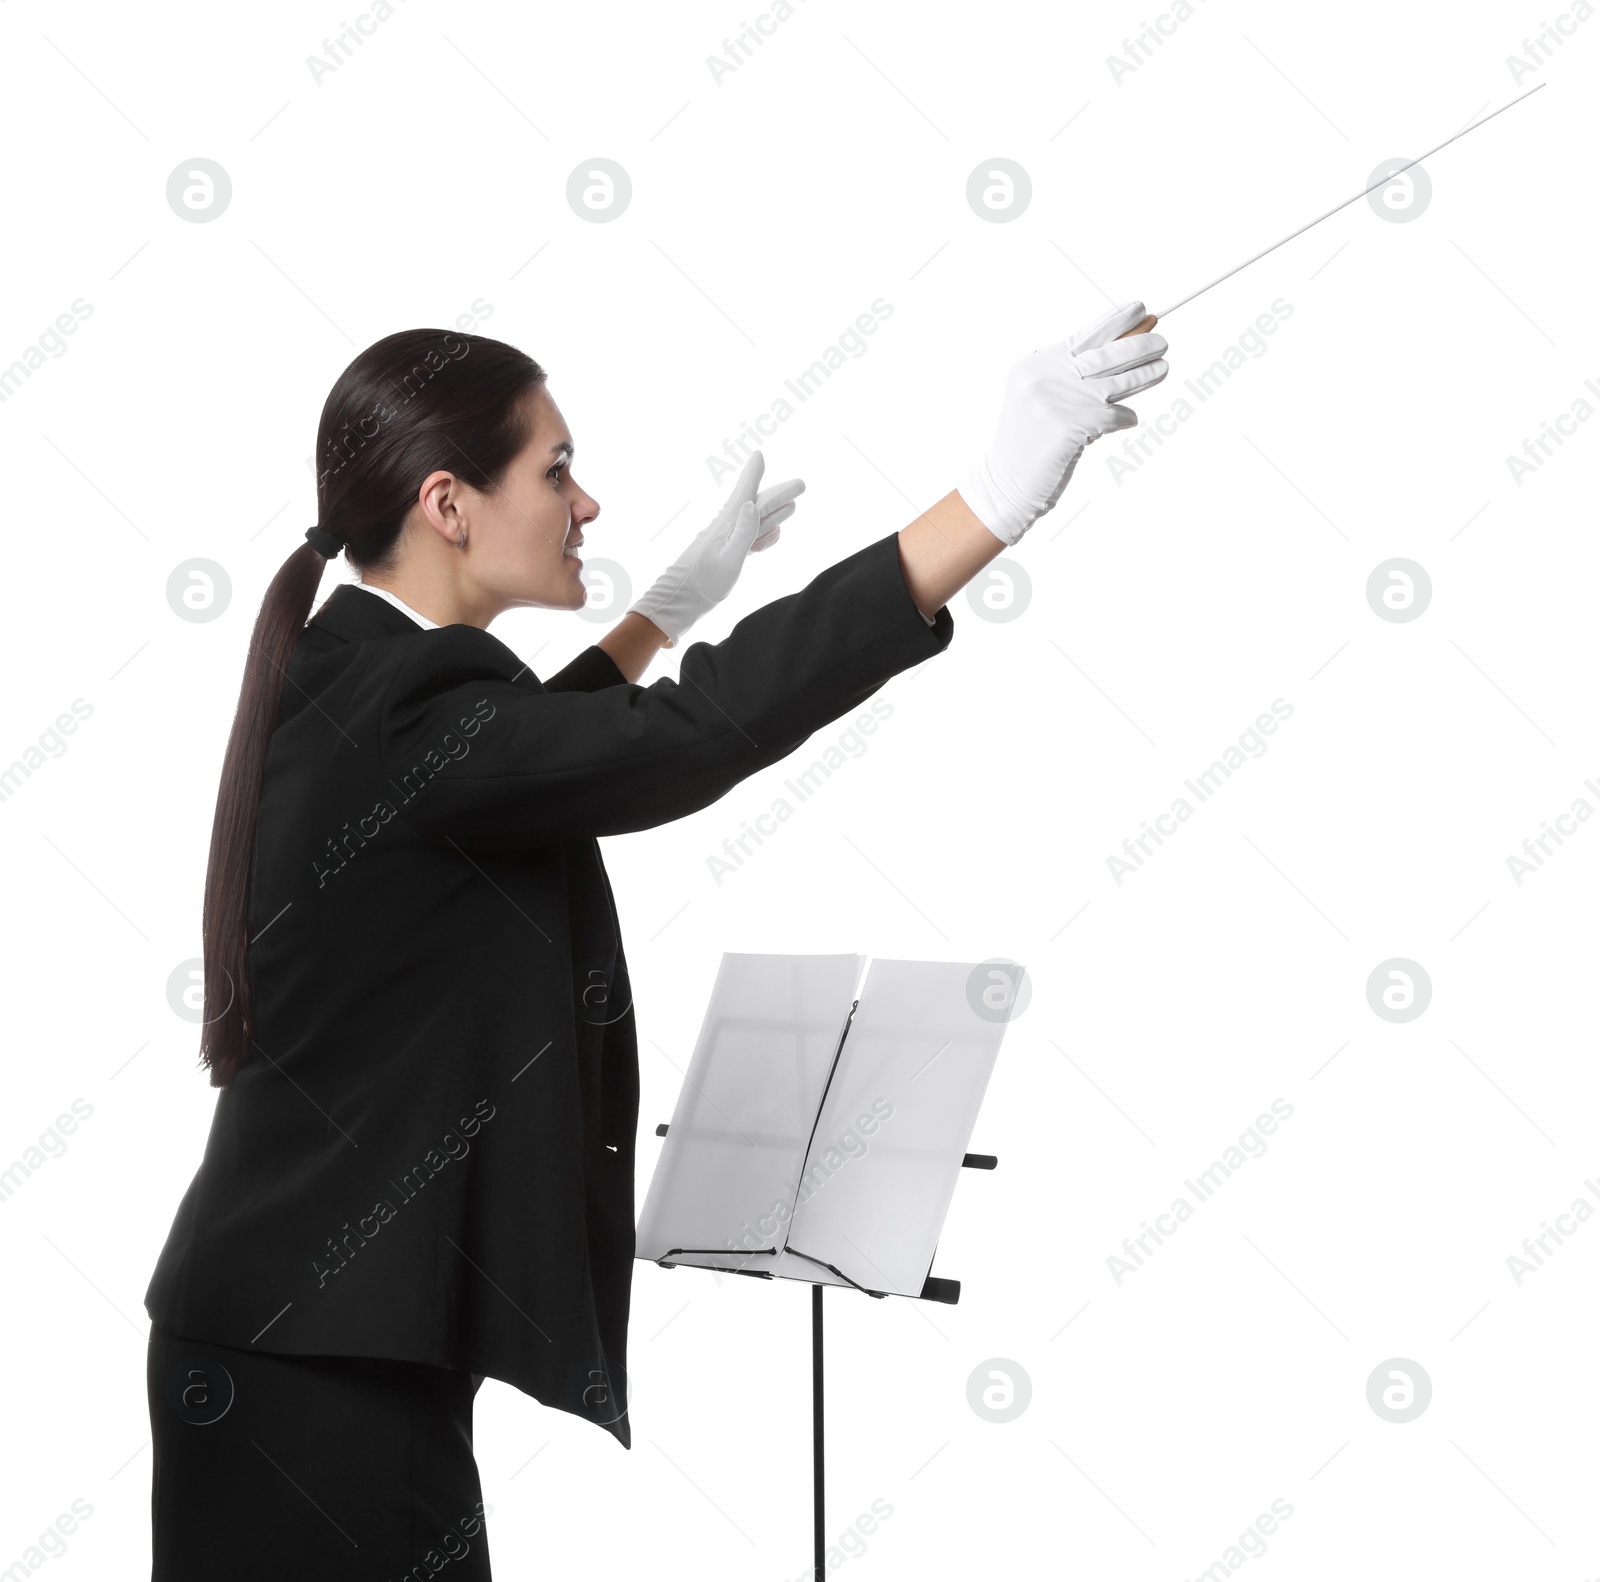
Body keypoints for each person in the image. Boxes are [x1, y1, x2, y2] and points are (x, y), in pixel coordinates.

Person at [142, 303, 1167, 1579]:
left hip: (299, 1337)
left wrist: (663, 614)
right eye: (557, 468)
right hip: (318, 1361)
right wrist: (985, 509)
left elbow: (519, 765)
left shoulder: (367, 679)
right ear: (448, 503)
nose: (588, 505)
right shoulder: (400, 705)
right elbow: (670, 743)